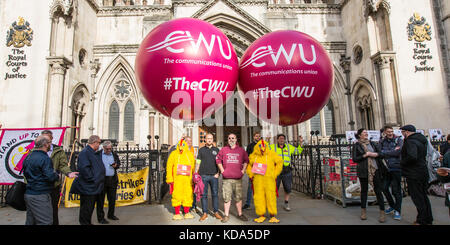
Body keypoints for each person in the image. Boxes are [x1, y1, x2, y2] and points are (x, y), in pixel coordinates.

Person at [40, 130, 78, 225]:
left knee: (53, 210)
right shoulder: (35, 150)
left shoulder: (58, 151)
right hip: (39, 185)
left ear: (52, 139)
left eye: (47, 139)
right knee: (39, 211)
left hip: (53, 185)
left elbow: (63, 165)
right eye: (43, 139)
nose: (45, 142)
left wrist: (68, 173)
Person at [352, 128, 389, 223]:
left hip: (375, 169)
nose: (366, 134)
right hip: (363, 170)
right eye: (364, 133)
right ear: (359, 135)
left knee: (378, 190)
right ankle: (363, 211)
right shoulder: (357, 145)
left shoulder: (372, 143)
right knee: (364, 191)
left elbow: (381, 154)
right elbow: (355, 159)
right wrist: (365, 155)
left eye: (366, 132)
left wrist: (373, 154)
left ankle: (382, 212)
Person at [400, 124, 433, 225]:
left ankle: (422, 220)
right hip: (422, 171)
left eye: (402, 132)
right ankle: (428, 218)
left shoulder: (410, 141)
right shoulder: (421, 140)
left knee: (418, 198)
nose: (402, 135)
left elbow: (412, 156)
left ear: (406, 132)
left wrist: (402, 162)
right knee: (423, 196)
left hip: (414, 173)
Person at [23, 135, 59, 225]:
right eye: (50, 142)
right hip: (40, 194)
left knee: (31, 221)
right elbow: (50, 177)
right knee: (45, 221)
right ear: (46, 144)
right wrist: (56, 175)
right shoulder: (44, 158)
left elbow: (26, 173)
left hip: (29, 192)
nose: (51, 144)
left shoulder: (29, 156)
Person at [70, 135, 105, 225]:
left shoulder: (92, 152)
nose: (99, 145)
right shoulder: (85, 152)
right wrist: (93, 179)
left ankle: (87, 222)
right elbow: (84, 169)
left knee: (89, 208)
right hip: (88, 186)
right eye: (99, 143)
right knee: (86, 208)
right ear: (95, 142)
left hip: (93, 186)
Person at [246, 140, 283, 223]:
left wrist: (275, 173)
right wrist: (251, 175)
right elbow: (249, 166)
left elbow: (280, 162)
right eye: (260, 147)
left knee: (271, 197)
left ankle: (272, 215)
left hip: (269, 180)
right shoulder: (253, 156)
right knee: (259, 198)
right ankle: (261, 215)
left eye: (264, 147)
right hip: (258, 181)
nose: (262, 148)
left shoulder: (271, 154)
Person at [216, 133, 249, 223]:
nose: (231, 139)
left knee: (238, 197)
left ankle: (240, 214)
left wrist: (243, 170)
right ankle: (226, 215)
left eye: (233, 138)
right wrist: (222, 170)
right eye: (229, 138)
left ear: (236, 139)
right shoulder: (224, 150)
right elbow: (218, 160)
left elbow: (246, 160)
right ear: (228, 139)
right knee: (227, 197)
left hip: (238, 179)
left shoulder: (241, 150)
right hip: (227, 179)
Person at [270, 134, 303, 211]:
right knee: (274, 188)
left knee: (288, 188)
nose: (282, 140)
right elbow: (265, 150)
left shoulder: (289, 147)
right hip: (276, 171)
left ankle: (286, 202)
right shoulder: (273, 147)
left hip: (287, 171)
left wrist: (300, 143)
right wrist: (267, 140)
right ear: (277, 140)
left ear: (284, 140)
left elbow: (298, 151)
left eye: (283, 138)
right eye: (280, 138)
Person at [166, 139, 195, 220]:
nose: (181, 147)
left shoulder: (189, 154)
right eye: (180, 146)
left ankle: (187, 212)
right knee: (177, 195)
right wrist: (169, 178)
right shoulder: (173, 154)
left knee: (188, 195)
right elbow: (169, 166)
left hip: (187, 180)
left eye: (183, 146)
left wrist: (194, 177)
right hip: (177, 180)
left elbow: (193, 166)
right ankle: (177, 213)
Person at [196, 134, 222, 221]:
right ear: (205, 139)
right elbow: (198, 161)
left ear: (213, 139)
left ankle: (216, 212)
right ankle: (205, 213)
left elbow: (220, 162)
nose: (209, 140)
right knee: (204, 195)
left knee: (215, 194)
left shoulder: (217, 150)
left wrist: (218, 173)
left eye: (211, 138)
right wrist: (196, 172)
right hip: (203, 176)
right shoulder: (201, 150)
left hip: (214, 176)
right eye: (208, 138)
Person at [379, 126, 403, 220]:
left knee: (396, 190)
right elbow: (380, 153)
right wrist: (392, 151)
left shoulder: (399, 140)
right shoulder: (382, 141)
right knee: (384, 187)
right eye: (388, 131)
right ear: (385, 132)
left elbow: (398, 152)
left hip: (396, 167)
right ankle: (393, 205)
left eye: (392, 131)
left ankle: (398, 211)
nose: (390, 133)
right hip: (386, 168)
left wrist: (385, 152)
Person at [96, 141, 121, 224]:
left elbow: (118, 163)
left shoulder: (114, 154)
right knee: (100, 200)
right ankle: (101, 218)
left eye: (110, 149)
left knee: (112, 199)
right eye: (107, 149)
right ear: (103, 148)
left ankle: (111, 214)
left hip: (112, 180)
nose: (109, 150)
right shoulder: (98, 154)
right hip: (102, 180)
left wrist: (116, 165)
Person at [243, 131, 261, 210]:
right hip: (253, 168)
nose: (258, 137)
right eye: (256, 136)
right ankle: (248, 203)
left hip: (261, 168)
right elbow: (247, 157)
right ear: (254, 137)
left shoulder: (263, 145)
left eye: (259, 136)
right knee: (250, 186)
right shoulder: (250, 146)